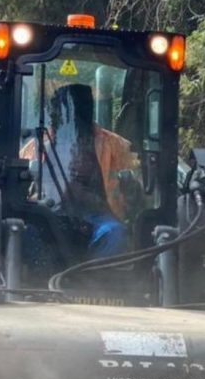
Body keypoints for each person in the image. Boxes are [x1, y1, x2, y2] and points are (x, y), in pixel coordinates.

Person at [20, 84, 135, 258]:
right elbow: (21, 185)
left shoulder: (115, 145)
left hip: (98, 215)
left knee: (114, 233)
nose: (71, 117)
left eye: (78, 109)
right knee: (25, 232)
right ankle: (34, 282)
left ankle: (96, 280)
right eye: (65, 110)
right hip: (49, 213)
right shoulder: (36, 145)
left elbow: (135, 185)